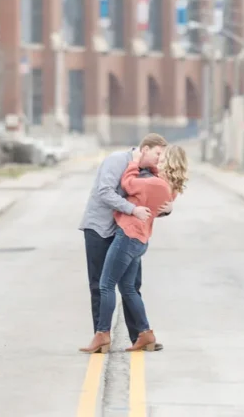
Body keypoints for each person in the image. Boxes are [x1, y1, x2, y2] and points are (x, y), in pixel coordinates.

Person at [80, 144, 189, 354]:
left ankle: (102, 334)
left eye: (161, 156)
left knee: (105, 285)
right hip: (140, 238)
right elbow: (156, 207)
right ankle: (144, 333)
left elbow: (128, 184)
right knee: (128, 288)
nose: (158, 159)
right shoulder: (165, 185)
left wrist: (133, 163)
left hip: (128, 235)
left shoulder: (153, 182)